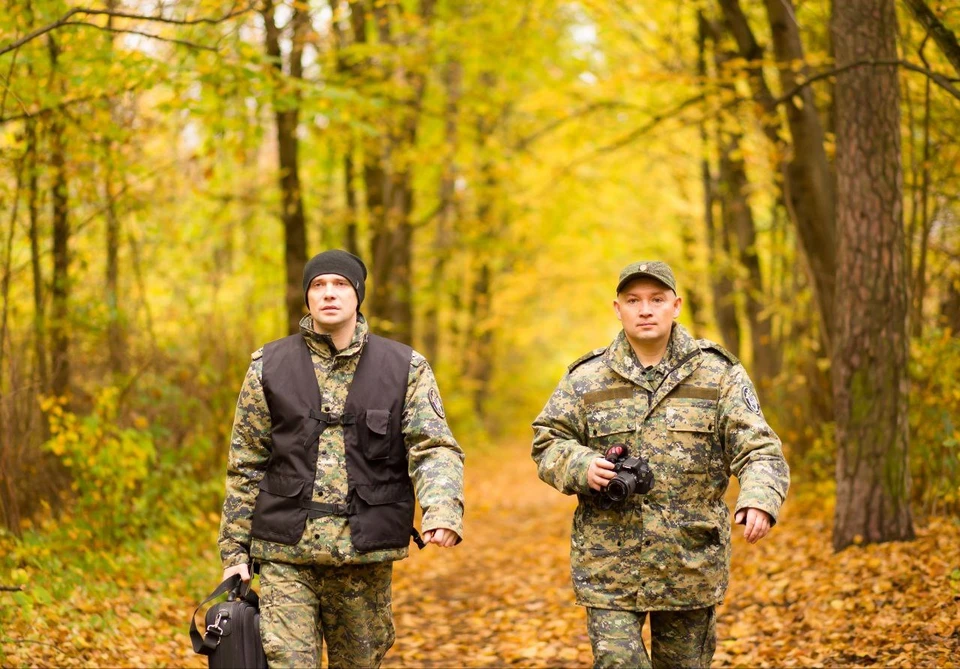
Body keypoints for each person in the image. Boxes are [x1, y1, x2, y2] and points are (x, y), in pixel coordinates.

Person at [531, 260, 789, 668]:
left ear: (676, 305)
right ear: (617, 308)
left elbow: (759, 449)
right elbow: (548, 441)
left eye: (656, 299)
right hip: (608, 565)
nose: (645, 309)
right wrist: (582, 465)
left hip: (688, 562)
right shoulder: (587, 378)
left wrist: (758, 499)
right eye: (633, 300)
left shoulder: (718, 375)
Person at [218, 249, 464, 668]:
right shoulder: (268, 366)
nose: (329, 293)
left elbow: (433, 446)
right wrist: (235, 553)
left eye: (340, 284)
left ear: (357, 295)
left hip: (363, 557)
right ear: (307, 297)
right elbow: (246, 463)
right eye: (318, 285)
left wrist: (442, 508)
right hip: (285, 553)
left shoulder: (405, 366)